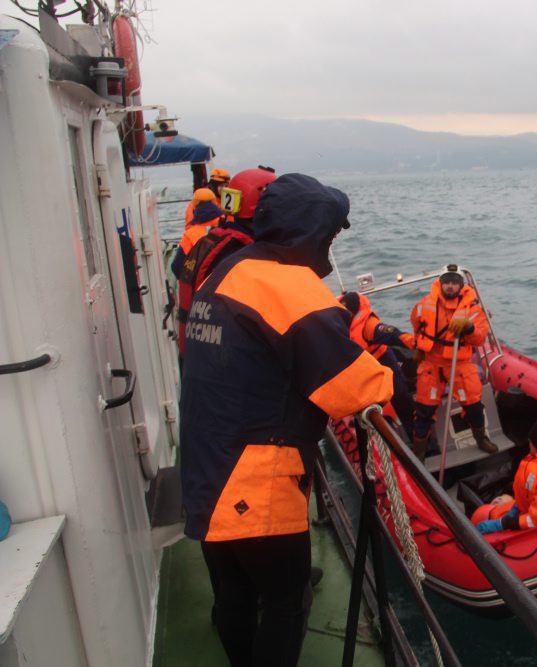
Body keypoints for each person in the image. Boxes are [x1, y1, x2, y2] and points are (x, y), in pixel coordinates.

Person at [180, 173, 393, 666]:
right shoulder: (292, 288)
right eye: (331, 235)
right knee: (286, 602)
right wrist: (382, 367)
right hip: (255, 485)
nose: (332, 247)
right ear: (311, 232)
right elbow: (357, 388)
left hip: (207, 465)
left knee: (232, 596)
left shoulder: (232, 267)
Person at [175, 167, 278, 357]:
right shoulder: (244, 258)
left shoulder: (207, 242)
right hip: (225, 361)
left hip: (196, 356)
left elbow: (177, 268)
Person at [410, 265, 497, 459]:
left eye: (454, 283)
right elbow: (417, 325)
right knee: (423, 411)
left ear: (461, 286)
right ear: (440, 284)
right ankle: (419, 454)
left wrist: (468, 327)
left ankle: (481, 438)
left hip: (460, 363)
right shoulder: (424, 305)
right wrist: (419, 348)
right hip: (431, 364)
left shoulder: (473, 310)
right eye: (447, 282)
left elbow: (480, 338)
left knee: (474, 406)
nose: (450, 286)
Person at [338, 291, 416, 440]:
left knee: (400, 398)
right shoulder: (337, 324)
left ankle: (416, 440)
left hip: (382, 362)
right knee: (370, 408)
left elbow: (394, 334)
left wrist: (416, 343)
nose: (345, 315)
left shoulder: (368, 325)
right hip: (359, 369)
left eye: (348, 312)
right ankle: (382, 438)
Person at [171, 188, 223, 278]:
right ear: (215, 202)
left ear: (194, 206)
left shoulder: (190, 234)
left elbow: (176, 267)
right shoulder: (227, 224)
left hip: (202, 286)